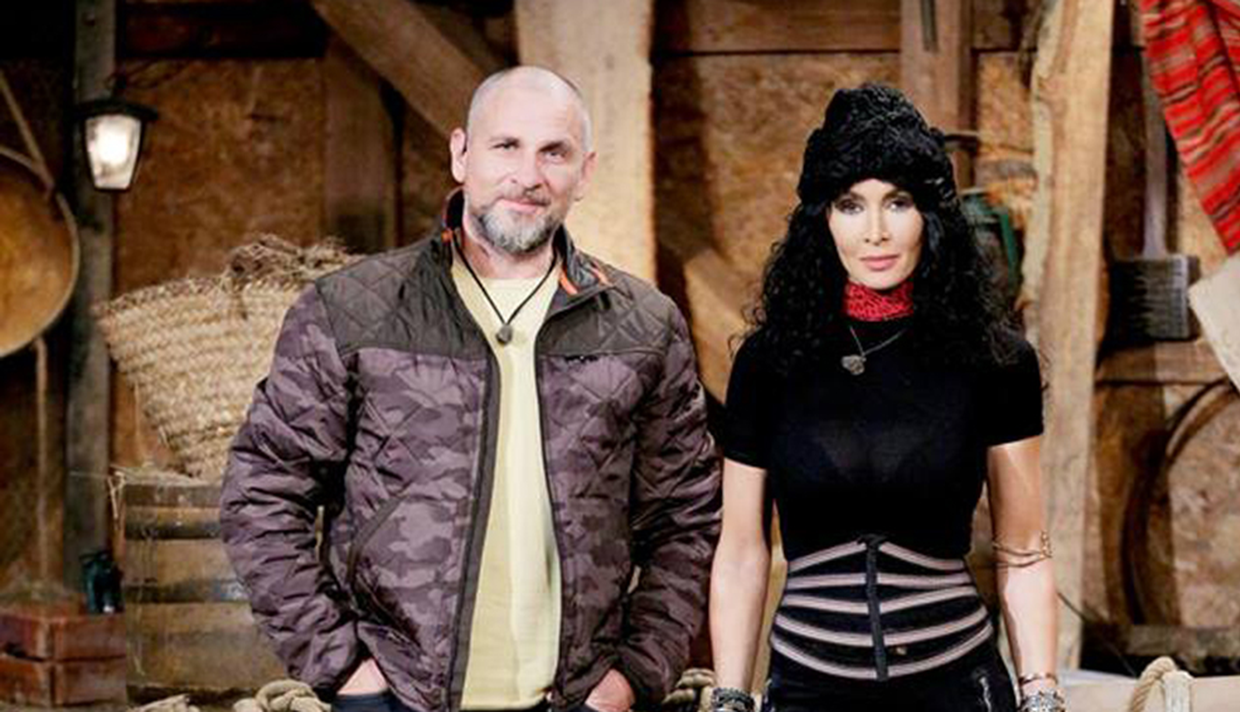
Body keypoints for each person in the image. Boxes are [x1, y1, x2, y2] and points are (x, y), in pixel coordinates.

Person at [220, 66, 721, 712]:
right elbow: (261, 490)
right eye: (506, 146)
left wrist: (633, 677)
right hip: (396, 697)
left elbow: (685, 518)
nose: (528, 175)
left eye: (554, 153)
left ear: (585, 173)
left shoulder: (644, 327)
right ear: (461, 154)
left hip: (579, 700)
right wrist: (343, 671)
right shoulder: (352, 312)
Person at [707, 84, 1062, 712]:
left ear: (931, 215)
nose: (875, 232)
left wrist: (1041, 696)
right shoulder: (770, 362)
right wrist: (731, 698)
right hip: (807, 694)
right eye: (851, 205)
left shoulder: (995, 361)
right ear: (823, 219)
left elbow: (1025, 552)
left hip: (958, 690)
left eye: (897, 203)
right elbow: (740, 551)